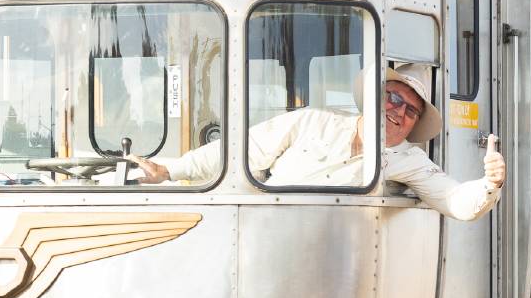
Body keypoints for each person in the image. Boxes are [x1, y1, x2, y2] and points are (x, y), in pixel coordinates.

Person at [129, 64, 506, 221]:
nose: (399, 113)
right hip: (266, 230)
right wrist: (169, 170)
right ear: (375, 97)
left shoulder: (410, 160)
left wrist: (491, 183)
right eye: (393, 99)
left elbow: (456, 201)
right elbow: (240, 151)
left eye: (411, 111)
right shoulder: (311, 120)